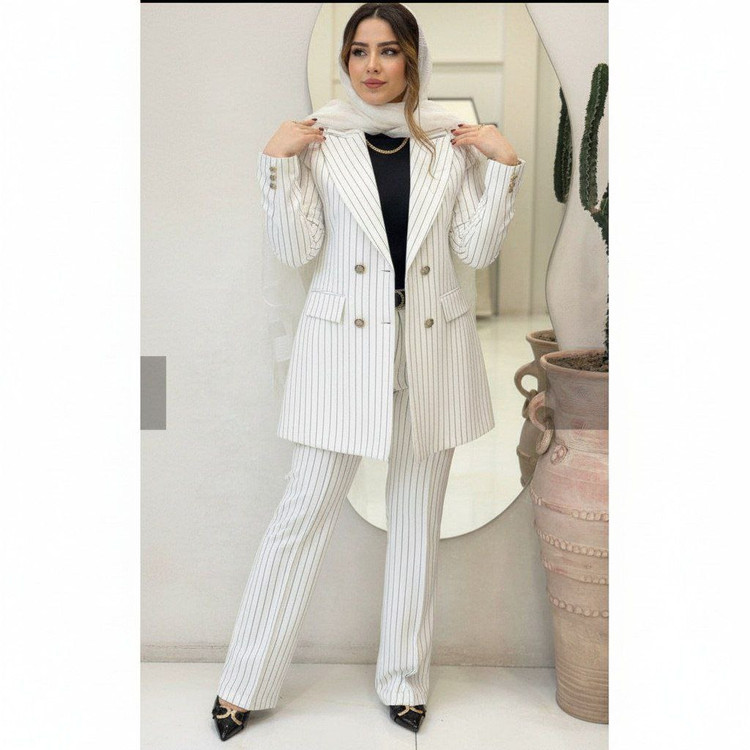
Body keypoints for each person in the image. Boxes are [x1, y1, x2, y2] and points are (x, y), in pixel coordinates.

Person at [211, 2, 526, 742]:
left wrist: (502, 167)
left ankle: (405, 681)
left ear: (413, 58)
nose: (373, 66)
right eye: (359, 51)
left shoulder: (449, 144)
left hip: (430, 347)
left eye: (388, 51)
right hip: (343, 352)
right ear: (345, 60)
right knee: (302, 512)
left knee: (416, 520)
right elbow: (296, 249)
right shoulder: (321, 141)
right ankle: (244, 682)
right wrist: (277, 162)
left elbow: (475, 252)